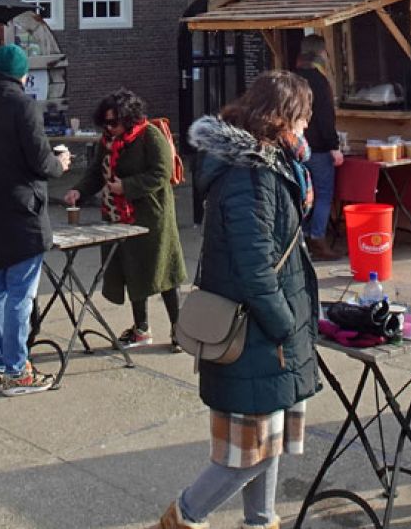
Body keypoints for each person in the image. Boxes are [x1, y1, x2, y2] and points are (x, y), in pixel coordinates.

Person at [161, 71, 320, 529]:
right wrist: (286, 323)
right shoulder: (252, 174)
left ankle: (261, 521)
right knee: (246, 454)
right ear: (286, 117)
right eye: (304, 117)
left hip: (263, 328)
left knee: (265, 444)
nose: (307, 127)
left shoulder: (270, 165)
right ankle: (181, 518)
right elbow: (254, 266)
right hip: (254, 330)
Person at [0, 44, 71, 397]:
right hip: (21, 208)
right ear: (23, 74)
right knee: (20, 294)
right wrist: (61, 163)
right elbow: (39, 161)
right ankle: (16, 371)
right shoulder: (22, 104)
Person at [63, 89, 186, 349]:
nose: (109, 128)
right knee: (131, 271)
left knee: (164, 273)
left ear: (129, 118)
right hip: (117, 216)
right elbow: (96, 173)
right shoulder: (105, 142)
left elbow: (161, 173)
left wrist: (127, 186)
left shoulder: (150, 136)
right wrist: (79, 190)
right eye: (106, 123)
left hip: (152, 216)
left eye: (114, 122)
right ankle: (141, 328)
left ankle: (179, 330)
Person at [292, 36, 344, 262]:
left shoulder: (293, 78)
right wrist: (334, 145)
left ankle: (299, 238)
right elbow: (325, 117)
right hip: (320, 149)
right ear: (321, 53)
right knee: (323, 195)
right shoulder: (320, 81)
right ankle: (318, 239)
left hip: (297, 147)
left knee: (302, 194)